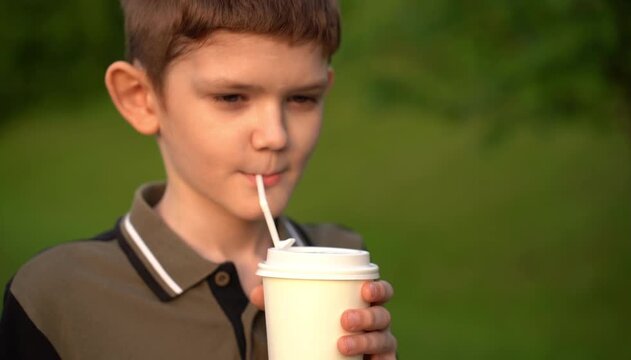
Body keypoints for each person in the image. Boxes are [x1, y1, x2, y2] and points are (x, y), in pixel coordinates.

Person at [0, 0, 397, 359]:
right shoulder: (58, 297)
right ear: (140, 97)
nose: (276, 135)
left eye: (302, 98)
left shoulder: (342, 254)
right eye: (232, 98)